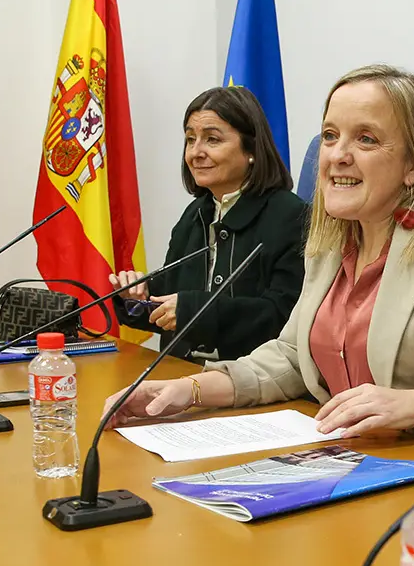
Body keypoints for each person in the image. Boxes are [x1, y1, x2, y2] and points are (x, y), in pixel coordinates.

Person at [104, 64, 414, 469]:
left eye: (367, 139)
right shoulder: (330, 241)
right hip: (358, 463)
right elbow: (292, 358)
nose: (337, 155)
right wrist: (186, 391)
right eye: (331, 136)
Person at [110, 86, 308, 363]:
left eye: (212, 140)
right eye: (190, 140)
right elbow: (169, 303)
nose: (195, 153)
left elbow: (283, 316)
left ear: (251, 149)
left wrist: (194, 310)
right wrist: (137, 297)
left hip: (253, 380)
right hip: (179, 374)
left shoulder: (290, 215)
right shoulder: (196, 214)